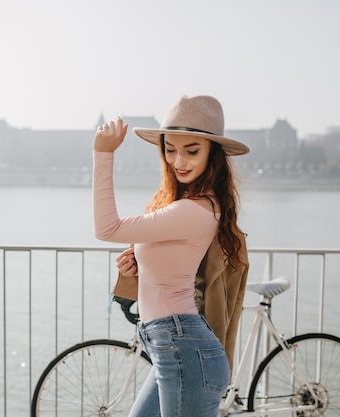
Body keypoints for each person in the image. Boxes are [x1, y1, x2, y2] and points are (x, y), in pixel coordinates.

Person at [93, 95, 250, 417]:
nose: (179, 161)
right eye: (170, 149)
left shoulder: (194, 210)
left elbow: (107, 229)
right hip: (172, 349)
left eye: (191, 151)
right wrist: (139, 264)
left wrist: (103, 154)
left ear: (212, 154)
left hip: (183, 348)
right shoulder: (186, 206)